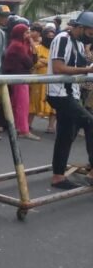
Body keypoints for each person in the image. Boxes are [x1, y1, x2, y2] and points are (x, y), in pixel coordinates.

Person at [45, 12, 93, 189]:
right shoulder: (62, 38)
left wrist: (87, 69)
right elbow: (58, 68)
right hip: (59, 93)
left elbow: (80, 68)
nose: (91, 37)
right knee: (89, 122)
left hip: (71, 93)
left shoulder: (79, 44)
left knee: (66, 134)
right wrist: (86, 69)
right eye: (90, 33)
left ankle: (58, 176)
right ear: (80, 28)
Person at [2, 24, 40, 140]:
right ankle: (23, 130)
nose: (29, 35)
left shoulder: (17, 44)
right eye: (26, 33)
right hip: (19, 77)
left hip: (16, 76)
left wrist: (31, 45)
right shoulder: (18, 46)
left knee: (17, 103)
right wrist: (33, 46)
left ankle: (18, 127)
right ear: (20, 34)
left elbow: (32, 61)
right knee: (23, 104)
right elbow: (30, 63)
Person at [30, 28, 56, 133]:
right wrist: (47, 61)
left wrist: (43, 60)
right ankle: (28, 124)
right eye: (48, 37)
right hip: (38, 81)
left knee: (53, 105)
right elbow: (35, 63)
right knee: (32, 103)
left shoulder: (56, 50)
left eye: (52, 37)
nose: (50, 39)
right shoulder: (37, 48)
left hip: (52, 81)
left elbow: (56, 64)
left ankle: (51, 126)